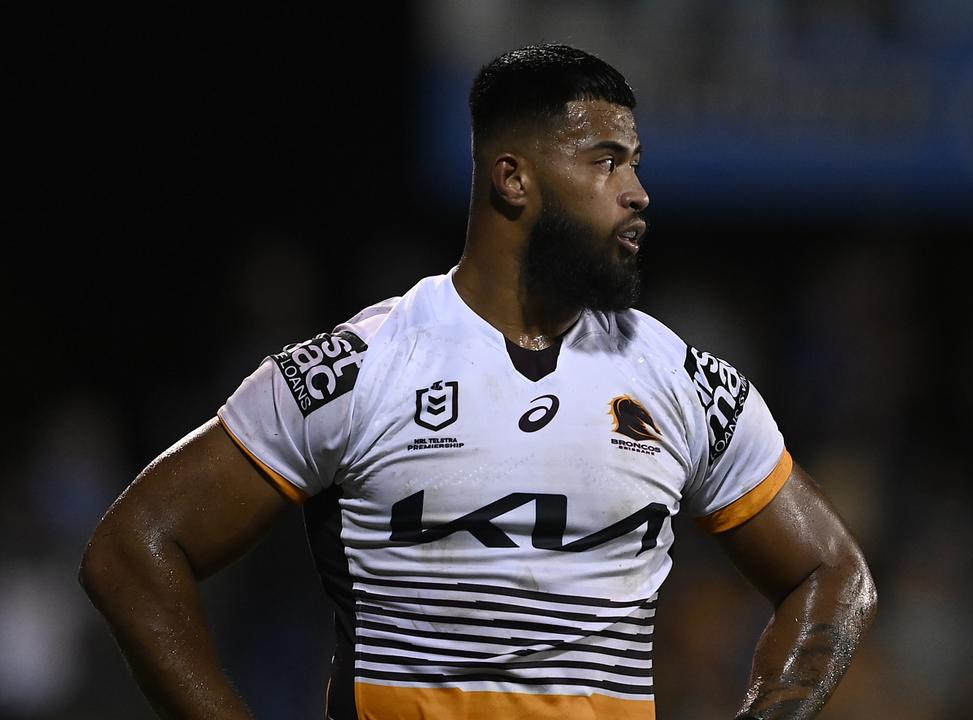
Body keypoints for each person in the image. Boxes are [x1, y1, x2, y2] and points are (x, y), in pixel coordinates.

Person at [79, 43, 876, 720]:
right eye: (604, 161)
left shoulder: (676, 378)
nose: (638, 193)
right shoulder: (364, 366)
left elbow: (833, 573)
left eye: (635, 164)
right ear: (512, 179)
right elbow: (133, 551)